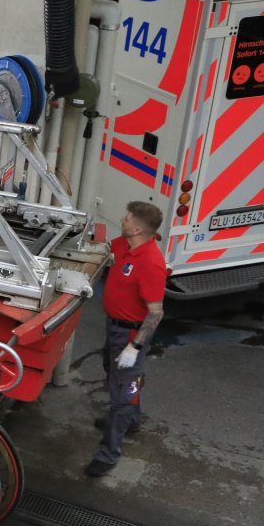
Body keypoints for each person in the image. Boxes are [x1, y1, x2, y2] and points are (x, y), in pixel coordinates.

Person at [86, 202, 167, 478]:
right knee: (113, 371)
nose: (122, 219)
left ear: (137, 229)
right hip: (114, 326)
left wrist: (135, 347)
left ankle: (107, 454)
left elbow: (156, 313)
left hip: (131, 334)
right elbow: (103, 249)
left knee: (122, 395)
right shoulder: (124, 244)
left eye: (127, 218)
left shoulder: (151, 262)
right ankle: (132, 420)